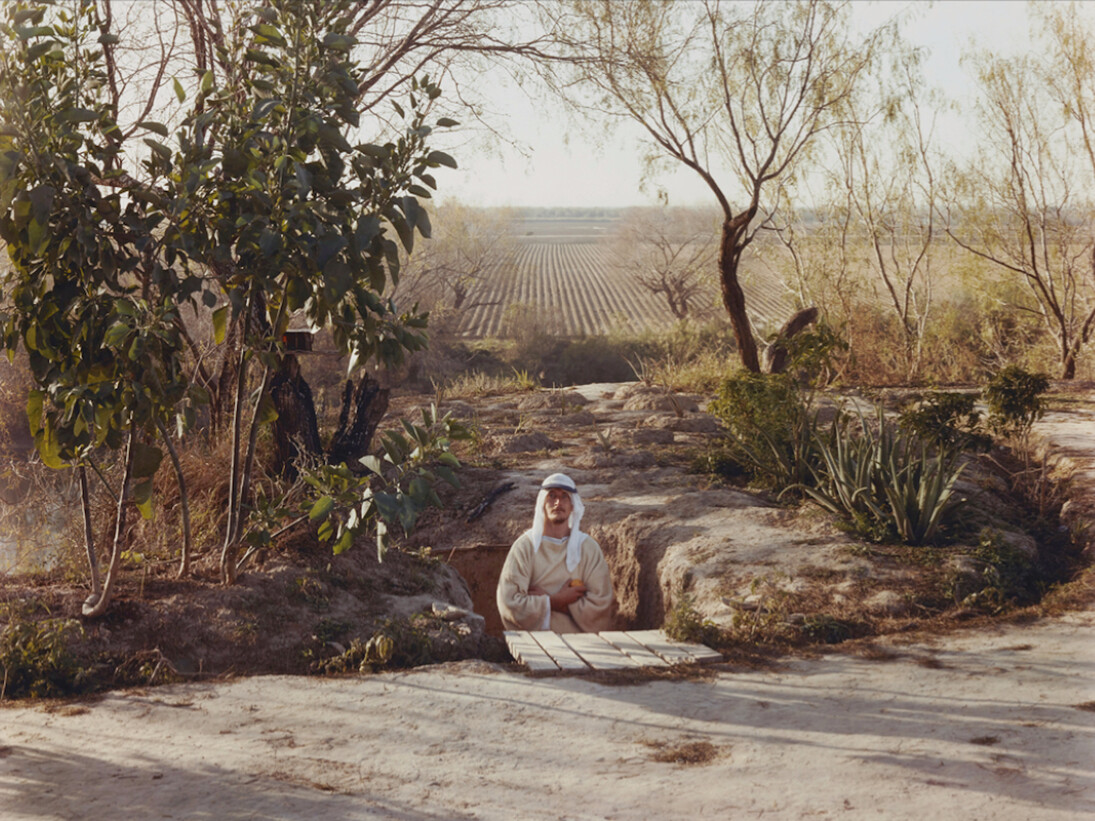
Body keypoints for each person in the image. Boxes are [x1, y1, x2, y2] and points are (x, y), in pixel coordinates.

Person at [496, 472, 615, 633]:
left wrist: (551, 601)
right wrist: (555, 600)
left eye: (564, 496)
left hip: (581, 642)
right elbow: (509, 602)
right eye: (552, 496)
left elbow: (601, 604)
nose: (558, 502)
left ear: (573, 505)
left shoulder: (588, 547)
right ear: (542, 503)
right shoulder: (524, 547)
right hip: (535, 641)